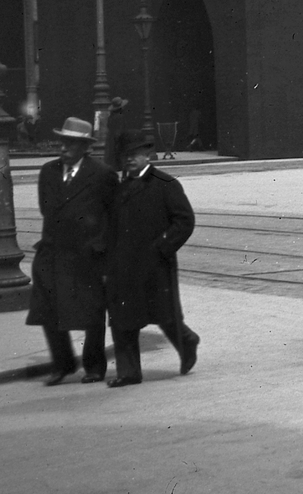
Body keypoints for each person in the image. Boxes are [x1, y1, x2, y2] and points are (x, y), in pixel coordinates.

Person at [26, 116, 118, 386]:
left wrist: (100, 248)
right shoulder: (49, 171)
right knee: (48, 311)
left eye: (71, 144)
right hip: (53, 251)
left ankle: (94, 366)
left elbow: (113, 216)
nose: (63, 148)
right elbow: (46, 208)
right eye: (62, 142)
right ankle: (62, 364)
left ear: (84, 147)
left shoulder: (102, 174)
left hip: (86, 255)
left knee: (91, 313)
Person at [105, 130, 200, 387]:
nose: (129, 160)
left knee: (165, 316)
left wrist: (162, 248)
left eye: (135, 155)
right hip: (123, 265)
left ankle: (187, 341)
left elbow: (185, 221)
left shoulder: (165, 184)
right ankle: (129, 372)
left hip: (155, 264)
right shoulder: (120, 188)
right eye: (126, 156)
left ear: (148, 156)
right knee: (123, 318)